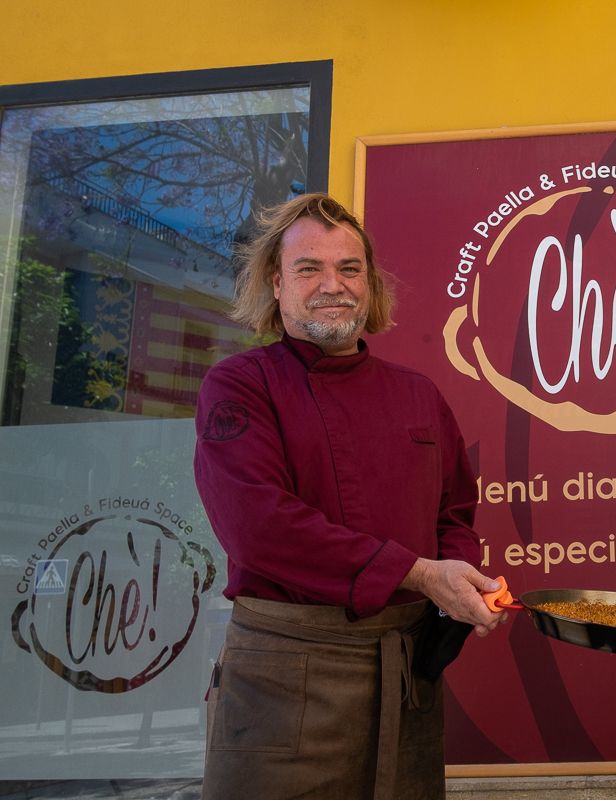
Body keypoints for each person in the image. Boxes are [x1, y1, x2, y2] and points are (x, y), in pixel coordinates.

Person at [193, 193, 504, 800]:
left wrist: (459, 586)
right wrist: (421, 574)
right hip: (283, 679)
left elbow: (454, 515)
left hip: (405, 678)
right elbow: (259, 529)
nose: (332, 285)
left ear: (370, 284)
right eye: (309, 269)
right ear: (276, 284)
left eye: (349, 268)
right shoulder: (239, 385)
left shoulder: (418, 394)